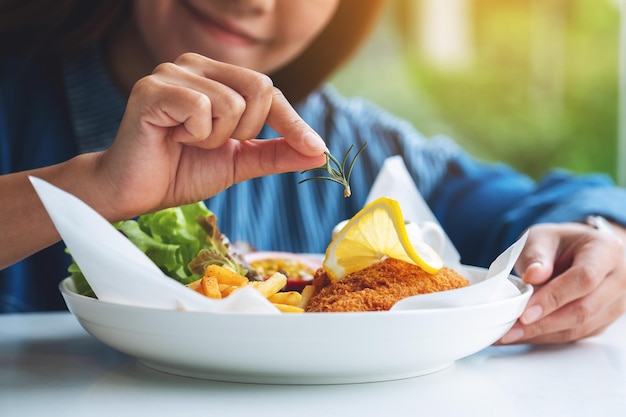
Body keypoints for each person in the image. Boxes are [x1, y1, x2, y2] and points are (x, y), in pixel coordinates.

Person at [1, 0, 625, 345]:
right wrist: (89, 188)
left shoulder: (355, 144)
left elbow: (549, 202)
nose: (251, 2)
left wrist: (598, 235)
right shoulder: (15, 99)